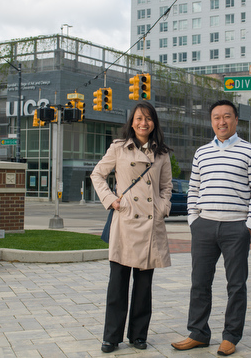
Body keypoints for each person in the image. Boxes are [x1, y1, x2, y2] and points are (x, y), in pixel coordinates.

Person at [171, 99, 251, 356]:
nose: (221, 122)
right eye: (216, 117)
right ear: (211, 121)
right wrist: (194, 220)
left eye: (226, 117)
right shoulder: (201, 153)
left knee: (236, 285)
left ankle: (231, 336)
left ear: (236, 120)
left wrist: (249, 226)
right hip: (204, 226)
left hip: (236, 227)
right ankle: (198, 333)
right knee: (199, 282)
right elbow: (194, 189)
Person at [91, 101, 173, 353]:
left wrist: (162, 207)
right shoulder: (119, 148)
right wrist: (111, 200)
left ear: (154, 123)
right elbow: (97, 174)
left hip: (150, 225)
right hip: (126, 220)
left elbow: (166, 186)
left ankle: (138, 335)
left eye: (148, 119)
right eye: (138, 118)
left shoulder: (161, 153)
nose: (143, 123)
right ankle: (111, 337)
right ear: (132, 121)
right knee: (117, 284)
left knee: (143, 286)